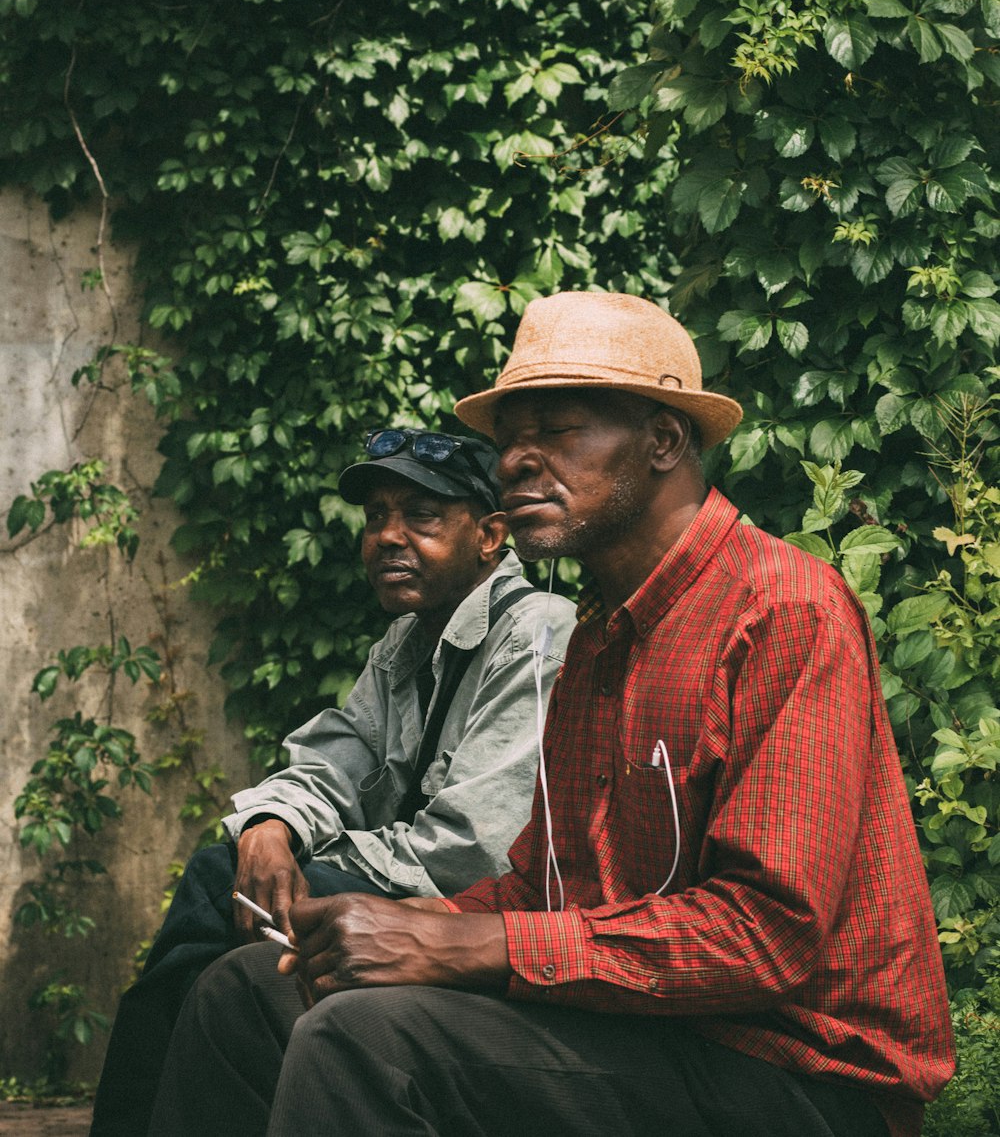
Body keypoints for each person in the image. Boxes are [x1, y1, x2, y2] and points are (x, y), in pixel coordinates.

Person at [146, 293, 956, 1137]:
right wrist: (401, 922)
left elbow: (763, 939)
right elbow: (545, 884)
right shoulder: (598, 635)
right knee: (248, 988)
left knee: (369, 1039)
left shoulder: (781, 608)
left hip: (796, 1074)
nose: (517, 462)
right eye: (510, 440)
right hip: (633, 1028)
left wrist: (466, 948)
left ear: (663, 441)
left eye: (559, 431)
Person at [90, 426, 574, 1137]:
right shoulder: (405, 643)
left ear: (491, 534)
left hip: (469, 909)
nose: (387, 536)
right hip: (416, 879)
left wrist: (311, 861)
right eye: (376, 515)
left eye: (422, 515)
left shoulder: (537, 632)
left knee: (220, 902)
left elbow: (474, 848)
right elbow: (333, 759)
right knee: (226, 877)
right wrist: (271, 826)